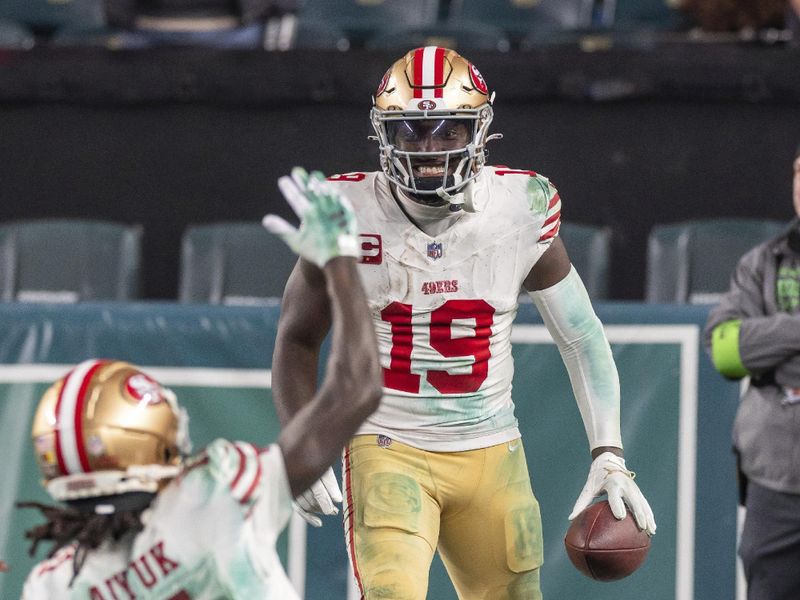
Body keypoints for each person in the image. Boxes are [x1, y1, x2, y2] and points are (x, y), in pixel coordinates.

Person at [272, 46, 657, 600]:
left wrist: (610, 455)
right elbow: (297, 337)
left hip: (491, 449)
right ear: (383, 134)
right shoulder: (344, 211)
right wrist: (300, 443)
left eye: (448, 129)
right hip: (388, 445)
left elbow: (580, 335)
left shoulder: (520, 206)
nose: (428, 149)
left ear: (479, 129)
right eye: (412, 132)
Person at [17, 168, 382, 599]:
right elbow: (359, 386)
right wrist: (338, 260)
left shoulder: (52, 584)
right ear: (148, 438)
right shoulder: (216, 492)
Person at [704, 145, 800, 600]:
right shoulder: (761, 263)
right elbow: (724, 351)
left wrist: (771, 345)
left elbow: (749, 345)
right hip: (776, 484)